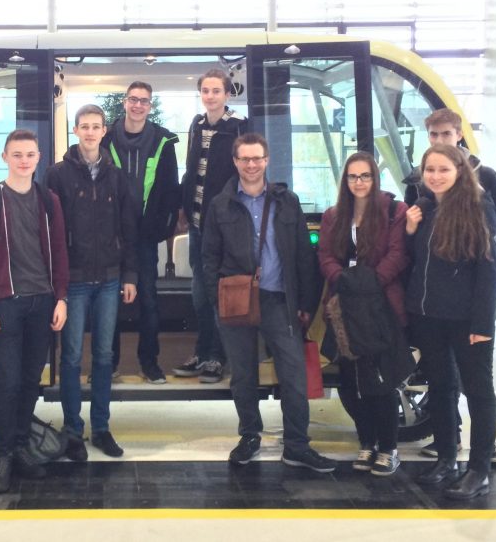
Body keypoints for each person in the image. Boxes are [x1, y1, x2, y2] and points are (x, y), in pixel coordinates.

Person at [202, 132, 335, 472]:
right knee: (243, 375)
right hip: (236, 301)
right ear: (236, 162)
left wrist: (305, 302)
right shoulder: (220, 204)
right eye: (245, 159)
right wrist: (217, 300)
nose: (251, 164)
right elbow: (209, 257)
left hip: (280, 300)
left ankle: (297, 445)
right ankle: (249, 437)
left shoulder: (286, 201)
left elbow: (303, 254)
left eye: (257, 158)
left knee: (293, 375)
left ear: (266, 160)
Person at [404, 108, 496, 467]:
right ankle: (447, 460)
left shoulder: (479, 207)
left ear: (459, 171)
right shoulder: (423, 208)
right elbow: (417, 260)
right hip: (430, 316)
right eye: (430, 170)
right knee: (441, 388)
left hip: (467, 319)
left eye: (443, 170)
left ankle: (479, 467)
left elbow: (489, 268)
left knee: (478, 391)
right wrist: (409, 231)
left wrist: (482, 323)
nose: (435, 176)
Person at [0, 129, 69, 494]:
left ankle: (22, 445)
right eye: (17, 155)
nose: (24, 161)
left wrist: (61, 298)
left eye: (29, 154)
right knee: (7, 382)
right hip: (6, 305)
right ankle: (3, 455)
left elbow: (60, 252)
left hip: (42, 302)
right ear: (5, 158)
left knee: (30, 381)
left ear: (39, 158)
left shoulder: (48, 201)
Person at [48, 105, 138, 460]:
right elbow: (51, 234)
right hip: (74, 281)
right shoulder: (57, 176)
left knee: (104, 356)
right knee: (70, 356)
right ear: (75, 131)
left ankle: (101, 428)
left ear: (104, 131)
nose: (89, 132)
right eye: (84, 126)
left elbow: (128, 228)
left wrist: (129, 275)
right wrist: (57, 284)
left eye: (95, 126)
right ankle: (73, 430)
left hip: (110, 280)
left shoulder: (117, 177)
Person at [317, 152, 410, 476]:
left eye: (365, 176)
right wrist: (341, 278)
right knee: (350, 381)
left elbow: (398, 253)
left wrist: (371, 282)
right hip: (345, 307)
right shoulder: (333, 216)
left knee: (380, 381)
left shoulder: (394, 211)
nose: (359, 182)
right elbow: (325, 254)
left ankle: (389, 448)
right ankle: (366, 442)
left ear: (375, 178)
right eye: (353, 176)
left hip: (380, 305)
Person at [101, 81, 181, 385]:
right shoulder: (106, 138)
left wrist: (163, 227)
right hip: (110, 234)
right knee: (109, 301)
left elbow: (171, 188)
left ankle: (150, 363)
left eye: (144, 101)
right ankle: (108, 364)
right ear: (125, 102)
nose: (138, 105)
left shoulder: (163, 140)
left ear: (150, 105)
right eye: (133, 99)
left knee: (148, 300)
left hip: (145, 236)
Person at [175, 68, 249, 384]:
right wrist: (182, 205)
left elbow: (243, 174)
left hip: (222, 226)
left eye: (216, 91)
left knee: (219, 291)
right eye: (205, 91)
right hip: (196, 223)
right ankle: (202, 352)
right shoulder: (197, 124)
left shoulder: (238, 127)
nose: (210, 96)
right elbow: (191, 169)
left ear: (227, 94)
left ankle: (218, 357)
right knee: (199, 293)